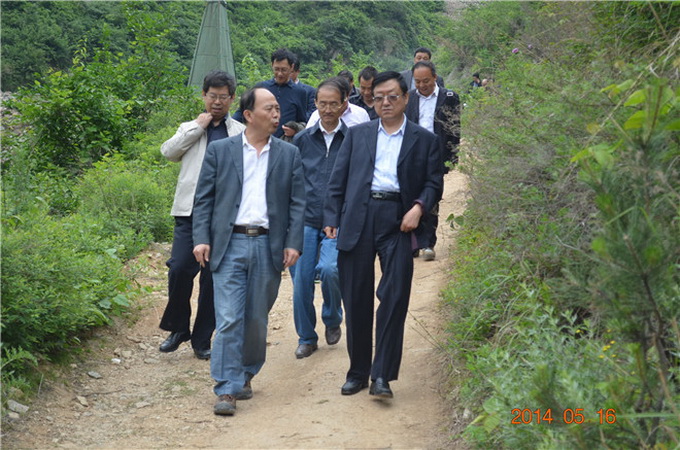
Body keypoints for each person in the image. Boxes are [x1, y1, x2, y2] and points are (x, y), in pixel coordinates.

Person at [323, 71, 443, 399]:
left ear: (406, 98)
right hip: (358, 218)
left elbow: (434, 182)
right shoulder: (357, 135)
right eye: (378, 98)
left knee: (394, 296)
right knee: (356, 297)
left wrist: (418, 208)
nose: (385, 103)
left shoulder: (424, 139)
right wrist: (331, 216)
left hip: (399, 221)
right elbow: (338, 179)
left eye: (392, 97)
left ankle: (382, 375)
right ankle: (358, 372)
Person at [192, 87, 305, 415]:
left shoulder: (288, 154)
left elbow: (298, 203)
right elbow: (204, 199)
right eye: (269, 109)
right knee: (229, 317)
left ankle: (246, 372)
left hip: (268, 245)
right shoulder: (221, 151)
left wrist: (293, 242)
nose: (276, 114)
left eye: (277, 109)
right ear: (248, 115)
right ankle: (226, 388)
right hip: (229, 244)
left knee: (256, 319)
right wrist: (201, 238)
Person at [158, 70, 245, 360]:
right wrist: (197, 127)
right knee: (180, 268)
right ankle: (178, 328)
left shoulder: (239, 132)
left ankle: (203, 338)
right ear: (203, 96)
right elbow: (168, 152)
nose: (217, 102)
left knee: (212, 277)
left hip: (223, 217)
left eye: (223, 97)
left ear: (232, 99)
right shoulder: (190, 127)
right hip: (189, 212)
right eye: (212, 96)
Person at [290, 78, 349, 359]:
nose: (327, 109)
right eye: (322, 103)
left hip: (337, 221)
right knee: (301, 281)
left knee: (330, 269)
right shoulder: (302, 140)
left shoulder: (352, 140)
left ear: (344, 105)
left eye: (333, 104)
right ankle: (306, 337)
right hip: (305, 218)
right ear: (315, 104)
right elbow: (291, 180)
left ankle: (332, 316)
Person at [405, 61, 461, 262]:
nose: (422, 85)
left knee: (432, 197)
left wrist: (452, 157)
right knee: (411, 197)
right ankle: (413, 243)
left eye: (426, 81)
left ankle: (428, 243)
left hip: (436, 155)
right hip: (413, 155)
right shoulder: (409, 98)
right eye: (418, 81)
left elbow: (455, 129)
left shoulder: (449, 97)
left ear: (435, 78)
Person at [233, 49, 313, 138]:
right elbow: (242, 112)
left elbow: (302, 121)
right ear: (272, 65)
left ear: (292, 67)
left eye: (284, 70)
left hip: (285, 142)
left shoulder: (299, 92)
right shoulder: (261, 87)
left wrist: (295, 129)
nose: (279, 74)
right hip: (260, 139)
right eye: (276, 69)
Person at [305, 77, 369, 129]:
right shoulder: (317, 115)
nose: (328, 110)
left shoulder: (361, 114)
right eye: (323, 104)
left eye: (334, 103)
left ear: (347, 96)